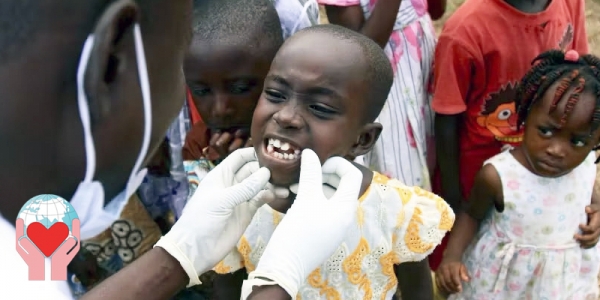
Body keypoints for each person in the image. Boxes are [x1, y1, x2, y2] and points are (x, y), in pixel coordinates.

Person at [207, 24, 454, 300]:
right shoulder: (233, 200)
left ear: (362, 140)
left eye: (319, 108)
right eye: (276, 94)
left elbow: (417, 294)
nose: (286, 117)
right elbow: (227, 292)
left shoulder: (396, 212)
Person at [429, 0, 600, 272]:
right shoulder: (466, 29)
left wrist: (593, 203)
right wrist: (452, 199)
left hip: (546, 185)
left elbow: (582, 85)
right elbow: (446, 118)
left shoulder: (570, 4)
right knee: (474, 262)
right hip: (480, 179)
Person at [318, 0, 439, 297]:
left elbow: (434, 10)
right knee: (395, 199)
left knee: (422, 180)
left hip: (417, 66)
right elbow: (363, 52)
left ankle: (413, 277)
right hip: (383, 89)